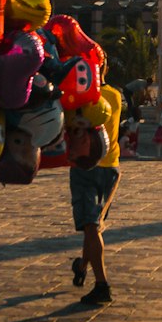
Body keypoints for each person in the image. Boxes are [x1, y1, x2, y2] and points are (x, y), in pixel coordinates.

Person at [69, 83, 123, 307]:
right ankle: (82, 266)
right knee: (92, 226)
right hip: (111, 168)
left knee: (91, 225)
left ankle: (102, 285)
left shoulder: (82, 99)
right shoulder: (115, 95)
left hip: (86, 166)